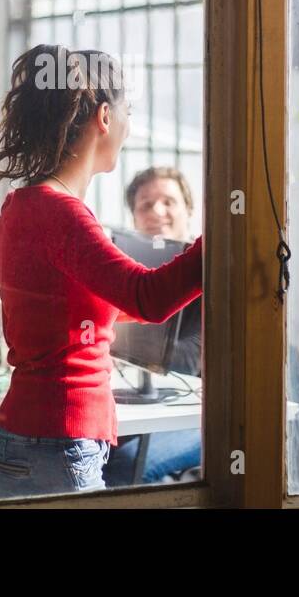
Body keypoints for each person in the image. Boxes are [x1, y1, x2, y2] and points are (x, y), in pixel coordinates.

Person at [0, 45, 203, 498]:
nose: (129, 125)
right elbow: (148, 298)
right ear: (105, 117)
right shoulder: (65, 215)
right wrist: (224, 234)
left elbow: (79, 308)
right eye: (128, 111)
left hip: (20, 439)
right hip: (59, 442)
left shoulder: (20, 204)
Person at [103, 166, 203, 487]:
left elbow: (191, 359)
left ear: (188, 210)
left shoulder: (206, 269)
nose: (157, 212)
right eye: (146, 205)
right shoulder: (132, 267)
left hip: (200, 415)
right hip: (150, 405)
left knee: (122, 464)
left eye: (168, 202)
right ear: (133, 216)